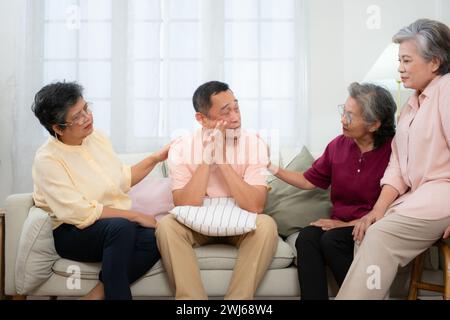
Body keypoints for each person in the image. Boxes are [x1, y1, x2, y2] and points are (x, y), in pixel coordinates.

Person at [337, 18, 450, 299]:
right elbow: (398, 167)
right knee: (366, 230)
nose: (400, 68)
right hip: (417, 197)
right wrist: (377, 210)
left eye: (407, 60)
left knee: (379, 237)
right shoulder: (410, 106)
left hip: (442, 196)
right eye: (400, 60)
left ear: (434, 62)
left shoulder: (447, 91)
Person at [31, 82, 169, 300]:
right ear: (58, 128)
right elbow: (78, 212)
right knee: (122, 228)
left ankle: (96, 295)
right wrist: (135, 215)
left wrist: (155, 158)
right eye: (77, 116)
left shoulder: (97, 138)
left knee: (157, 236)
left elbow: (120, 180)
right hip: (72, 232)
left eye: (86, 108)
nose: (87, 117)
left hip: (112, 226)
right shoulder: (47, 159)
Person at [267, 82, 396, 299]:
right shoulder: (338, 145)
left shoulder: (395, 151)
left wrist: (345, 225)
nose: (342, 119)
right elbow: (308, 180)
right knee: (307, 237)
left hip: (374, 226)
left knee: (331, 240)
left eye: (350, 115)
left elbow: (395, 206)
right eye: (343, 111)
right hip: (341, 226)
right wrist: (270, 166)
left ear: (374, 124)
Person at [155, 81, 278, 300]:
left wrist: (221, 160)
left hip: (241, 220)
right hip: (196, 221)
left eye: (236, 108)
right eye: (225, 111)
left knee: (266, 225)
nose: (235, 117)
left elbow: (256, 205)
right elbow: (183, 203)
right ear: (201, 119)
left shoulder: (254, 144)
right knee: (167, 226)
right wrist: (208, 156)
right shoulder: (182, 147)